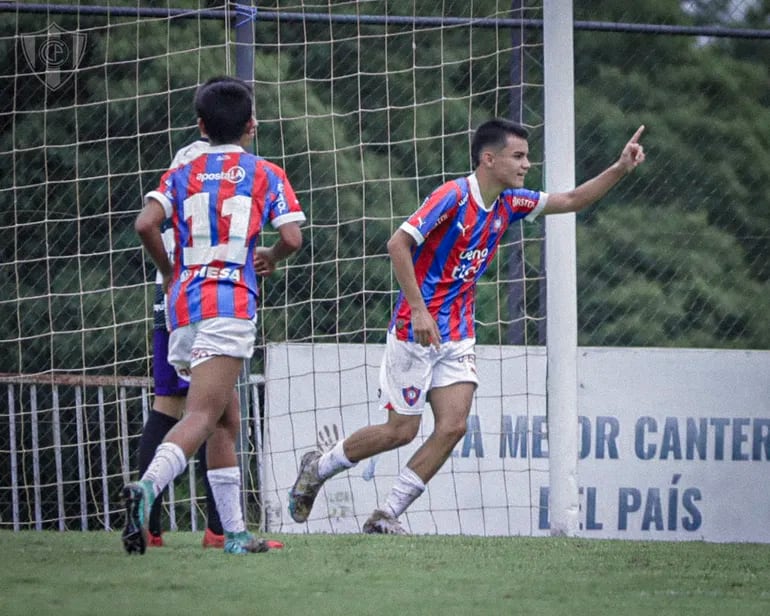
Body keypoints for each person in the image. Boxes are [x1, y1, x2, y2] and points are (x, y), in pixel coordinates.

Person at [288, 118, 645, 534]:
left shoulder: (511, 203)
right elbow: (397, 244)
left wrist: (620, 168)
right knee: (401, 431)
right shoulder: (453, 197)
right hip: (414, 329)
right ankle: (318, 467)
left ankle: (386, 514)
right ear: (488, 159)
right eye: (518, 156)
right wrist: (419, 310)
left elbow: (571, 200)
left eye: (527, 156)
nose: (527, 164)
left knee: (454, 426)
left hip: (457, 334)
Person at [124, 75, 305, 554]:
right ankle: (147, 490)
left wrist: (168, 270)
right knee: (203, 415)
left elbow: (146, 223)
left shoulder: (182, 169)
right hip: (229, 303)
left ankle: (235, 535)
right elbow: (291, 239)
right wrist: (268, 255)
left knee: (227, 418)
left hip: (184, 308)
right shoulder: (264, 172)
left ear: (201, 125)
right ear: (252, 125)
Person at [138, 135, 225, 549]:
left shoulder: (183, 159)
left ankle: (149, 529)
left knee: (169, 405)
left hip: (172, 294)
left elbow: (152, 219)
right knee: (219, 410)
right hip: (216, 295)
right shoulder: (239, 166)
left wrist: (168, 274)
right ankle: (219, 531)